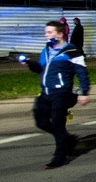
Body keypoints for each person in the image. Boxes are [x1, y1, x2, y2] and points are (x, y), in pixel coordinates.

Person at [22, 20, 90, 169]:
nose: (46, 35)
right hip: (46, 92)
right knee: (41, 122)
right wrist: (29, 63)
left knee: (58, 125)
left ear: (59, 34)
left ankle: (59, 157)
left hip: (62, 93)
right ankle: (68, 139)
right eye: (46, 32)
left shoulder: (72, 51)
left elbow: (82, 72)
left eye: (49, 32)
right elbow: (40, 68)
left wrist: (84, 92)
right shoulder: (46, 50)